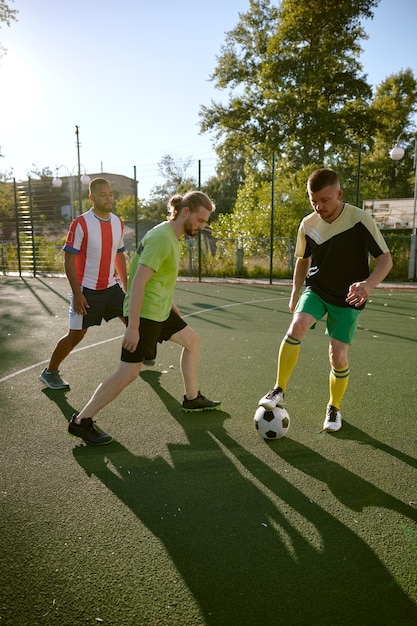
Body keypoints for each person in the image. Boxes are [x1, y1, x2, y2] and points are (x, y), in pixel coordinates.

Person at [68, 190, 221, 445]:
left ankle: (192, 398)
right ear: (185, 212)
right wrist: (133, 327)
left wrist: (170, 303)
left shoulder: (172, 235)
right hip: (146, 314)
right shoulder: (163, 237)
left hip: (159, 310)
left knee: (192, 342)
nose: (202, 226)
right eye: (201, 220)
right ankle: (82, 420)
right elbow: (138, 282)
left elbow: (157, 276)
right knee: (128, 372)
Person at [259, 168, 393, 432]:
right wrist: (295, 291)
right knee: (296, 327)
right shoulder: (308, 225)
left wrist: (368, 284)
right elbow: (302, 261)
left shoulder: (359, 219)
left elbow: (385, 260)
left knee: (338, 356)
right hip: (317, 289)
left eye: (325, 200)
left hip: (349, 298)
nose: (319, 207)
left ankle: (334, 408)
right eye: (313, 201)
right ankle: (278, 389)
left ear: (339, 194)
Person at [39, 177, 127, 390]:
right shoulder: (80, 223)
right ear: (92, 197)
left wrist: (127, 287)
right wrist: (77, 293)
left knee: (133, 319)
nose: (108, 198)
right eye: (102, 194)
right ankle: (50, 373)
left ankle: (139, 356)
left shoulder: (118, 223)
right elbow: (68, 260)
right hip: (87, 290)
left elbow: (119, 256)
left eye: (110, 194)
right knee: (76, 334)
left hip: (112, 287)